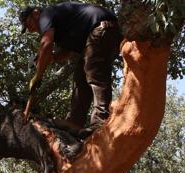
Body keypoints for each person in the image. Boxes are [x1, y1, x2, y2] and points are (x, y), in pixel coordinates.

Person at [19, 2, 122, 136]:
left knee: (94, 70)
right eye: (27, 28)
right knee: (80, 81)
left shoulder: (46, 15)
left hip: (102, 28)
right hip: (99, 36)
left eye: (29, 24)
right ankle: (74, 127)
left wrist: (38, 75)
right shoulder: (60, 25)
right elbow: (66, 52)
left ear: (35, 13)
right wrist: (52, 58)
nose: (31, 29)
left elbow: (46, 43)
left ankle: (100, 121)